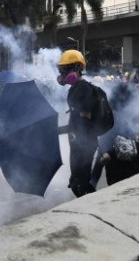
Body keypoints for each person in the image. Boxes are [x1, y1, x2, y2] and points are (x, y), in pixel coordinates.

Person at [56, 49, 102, 197]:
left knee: (80, 186)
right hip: (76, 142)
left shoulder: (85, 89)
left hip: (85, 144)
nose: (63, 74)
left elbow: (83, 124)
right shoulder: (74, 89)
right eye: (62, 69)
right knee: (76, 183)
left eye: (66, 69)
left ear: (78, 68)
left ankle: (94, 207)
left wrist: (58, 130)